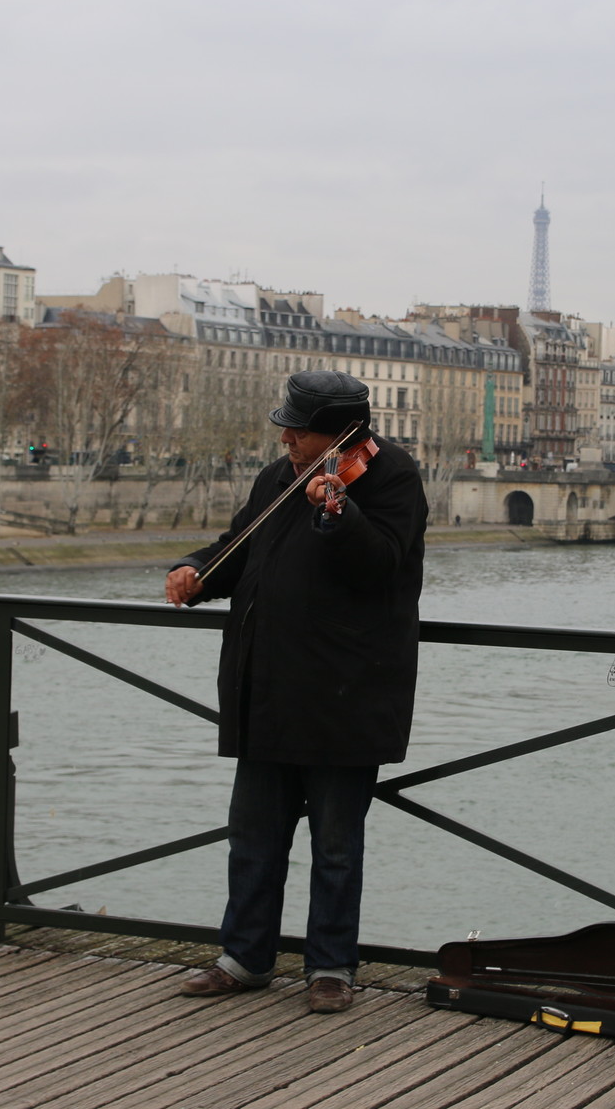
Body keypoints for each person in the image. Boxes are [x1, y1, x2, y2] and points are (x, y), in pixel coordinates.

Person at [164, 370, 427, 1015]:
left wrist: (338, 510)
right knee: (253, 837)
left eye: (298, 427)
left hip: (344, 693)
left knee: (336, 845)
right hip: (269, 689)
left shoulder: (390, 476)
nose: (285, 435)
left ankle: (331, 967)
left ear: (340, 431)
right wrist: (200, 569)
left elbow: (383, 564)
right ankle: (244, 958)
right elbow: (243, 546)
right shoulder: (278, 476)